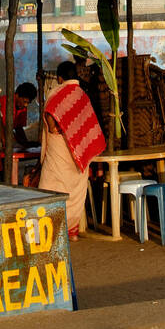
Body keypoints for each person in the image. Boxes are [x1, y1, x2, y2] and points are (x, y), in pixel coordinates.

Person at [38, 60, 106, 240]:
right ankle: (71, 230)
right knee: (75, 190)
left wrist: (54, 127)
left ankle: (49, 231)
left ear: (60, 78)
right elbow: (87, 123)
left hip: (59, 148)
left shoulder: (56, 92)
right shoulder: (82, 95)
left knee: (50, 186)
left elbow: (50, 114)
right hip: (78, 151)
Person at [14, 81, 40, 149]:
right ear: (17, 95)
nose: (26, 105)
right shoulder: (4, 101)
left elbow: (19, 129)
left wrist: (26, 144)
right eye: (25, 102)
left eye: (28, 103)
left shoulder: (22, 108)